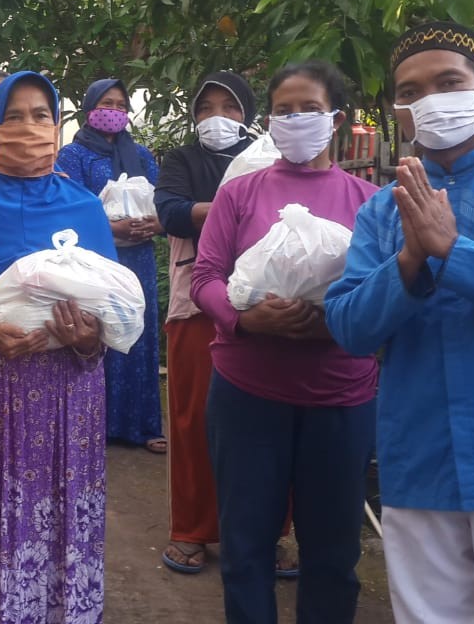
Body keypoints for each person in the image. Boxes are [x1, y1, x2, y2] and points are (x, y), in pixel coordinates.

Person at [192, 61, 379, 623]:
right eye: (285, 110)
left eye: (310, 109)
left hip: (340, 397)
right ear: (270, 121)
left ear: (337, 120)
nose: (296, 120)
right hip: (248, 393)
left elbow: (383, 295)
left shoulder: (370, 201)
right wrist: (248, 321)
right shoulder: (241, 193)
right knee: (246, 547)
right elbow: (206, 278)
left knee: (334, 553)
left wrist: (332, 322)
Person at [0, 71, 115, 622]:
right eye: (14, 115)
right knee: (2, 511)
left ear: (59, 125)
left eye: (42, 116)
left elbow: (113, 310)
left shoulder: (84, 207)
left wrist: (87, 342)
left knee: (68, 510)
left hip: (72, 395)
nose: (29, 126)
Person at [325, 21, 474, 624]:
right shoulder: (379, 213)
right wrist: (410, 260)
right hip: (419, 456)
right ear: (401, 113)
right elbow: (348, 327)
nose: (430, 100)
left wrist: (453, 250)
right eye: (411, 92)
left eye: (448, 82)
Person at [154, 72, 279, 575]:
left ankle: (272, 531)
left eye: (228, 107)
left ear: (248, 113)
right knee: (193, 420)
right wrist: (235, 208)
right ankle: (192, 528)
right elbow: (171, 212)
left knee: (269, 422)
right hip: (198, 305)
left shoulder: (270, 157)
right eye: (205, 108)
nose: (217, 119)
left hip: (268, 306)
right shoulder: (183, 160)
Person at [58, 78, 166, 455]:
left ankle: (142, 424)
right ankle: (94, 423)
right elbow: (68, 207)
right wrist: (109, 227)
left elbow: (161, 199)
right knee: (98, 330)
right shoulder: (72, 156)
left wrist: (156, 223)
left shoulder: (141, 154)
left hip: (138, 259)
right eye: (107, 103)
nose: (115, 111)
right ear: (90, 108)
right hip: (95, 258)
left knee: (138, 332)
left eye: (121, 105)